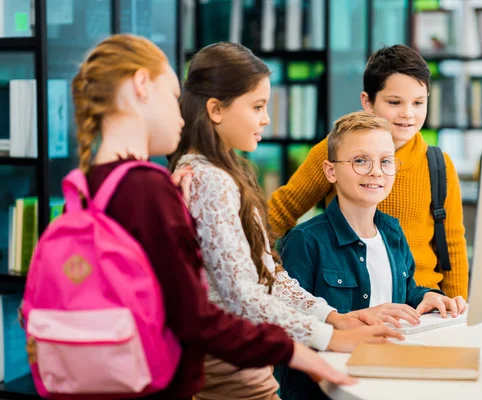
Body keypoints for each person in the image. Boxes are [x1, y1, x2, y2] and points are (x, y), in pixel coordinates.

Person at [72, 34, 354, 400]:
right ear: (142, 85)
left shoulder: (91, 181)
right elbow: (200, 312)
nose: (181, 114)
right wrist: (307, 348)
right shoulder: (152, 187)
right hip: (192, 374)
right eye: (175, 99)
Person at [169, 42, 403, 400]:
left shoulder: (223, 171)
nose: (266, 118)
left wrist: (331, 317)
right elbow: (243, 294)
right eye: (258, 107)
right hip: (228, 364)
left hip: (240, 360)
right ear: (216, 109)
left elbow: (267, 275)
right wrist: (330, 336)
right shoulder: (207, 179)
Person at [278, 111, 466, 399]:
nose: (376, 171)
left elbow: (403, 291)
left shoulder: (393, 232)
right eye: (360, 161)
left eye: (385, 161)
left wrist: (425, 296)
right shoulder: (306, 241)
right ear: (330, 171)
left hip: (387, 380)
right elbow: (287, 327)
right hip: (327, 390)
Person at [268, 45, 469, 300]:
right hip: (353, 300)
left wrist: (456, 312)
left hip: (423, 305)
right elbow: (284, 209)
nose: (408, 113)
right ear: (367, 102)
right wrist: (247, 265)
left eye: (419, 102)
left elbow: (452, 245)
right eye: (394, 102)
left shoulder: (438, 164)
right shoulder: (335, 151)